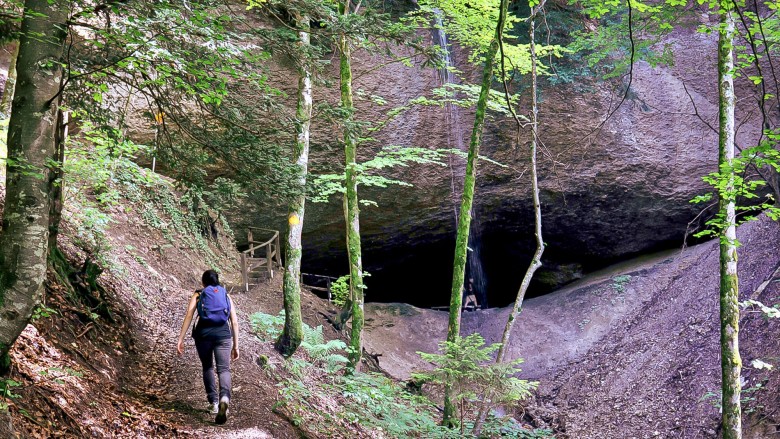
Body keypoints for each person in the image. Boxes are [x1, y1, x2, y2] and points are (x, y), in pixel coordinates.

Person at [177, 270, 240, 424]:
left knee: (207, 367)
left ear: (203, 282)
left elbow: (189, 315)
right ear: (217, 281)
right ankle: (224, 397)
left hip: (203, 335)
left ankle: (214, 403)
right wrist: (236, 346)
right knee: (224, 369)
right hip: (224, 335)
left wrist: (181, 339)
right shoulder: (225, 294)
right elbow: (235, 321)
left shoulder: (199, 294)